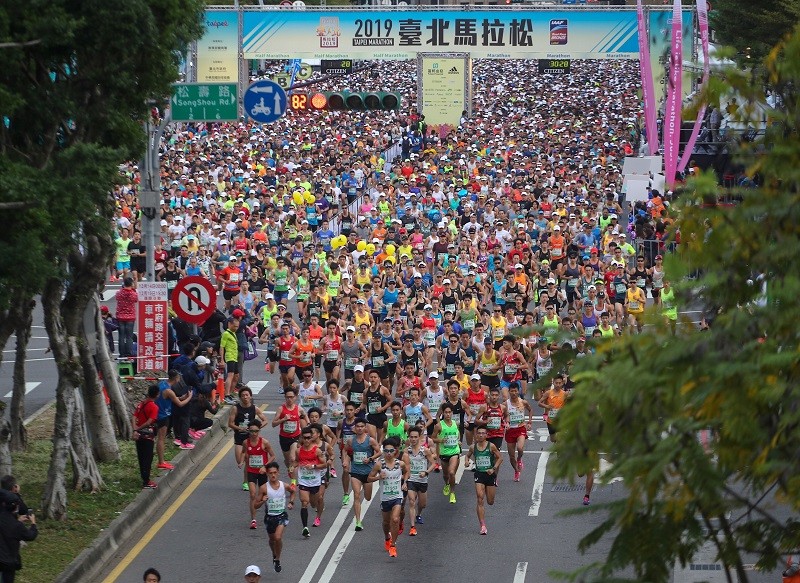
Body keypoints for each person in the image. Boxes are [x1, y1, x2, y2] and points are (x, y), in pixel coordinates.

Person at [367, 436, 408, 558]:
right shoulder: (379, 465)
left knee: (395, 519)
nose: (389, 453)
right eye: (386, 451)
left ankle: (393, 545)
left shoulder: (400, 464)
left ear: (395, 451)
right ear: (383, 451)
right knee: (386, 523)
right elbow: (369, 478)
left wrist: (404, 482)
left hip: (397, 496)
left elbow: (406, 472)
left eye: (391, 451)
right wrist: (379, 477)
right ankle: (387, 537)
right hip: (385, 497)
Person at [255, 462, 294, 573]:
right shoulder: (263, 488)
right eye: (270, 473)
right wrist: (263, 501)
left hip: (281, 515)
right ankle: (274, 554)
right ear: (267, 474)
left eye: (275, 473)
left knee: (277, 537)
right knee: (272, 540)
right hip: (269, 518)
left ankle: (277, 559)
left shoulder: (284, 485)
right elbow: (255, 505)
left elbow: (292, 492)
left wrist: (291, 502)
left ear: (278, 473)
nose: (273, 475)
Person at [464, 426, 503, 535]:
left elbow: (500, 458)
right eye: (479, 433)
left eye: (483, 433)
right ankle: (482, 525)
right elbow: (467, 456)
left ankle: (488, 491)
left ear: (486, 435)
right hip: (479, 474)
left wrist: (493, 468)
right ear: (476, 435)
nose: (480, 435)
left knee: (490, 502)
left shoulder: (491, 446)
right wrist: (466, 461)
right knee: (480, 498)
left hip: (490, 475)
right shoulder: (473, 447)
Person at [229, 386, 268, 491]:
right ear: (240, 397)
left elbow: (265, 420)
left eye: (247, 395)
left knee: (247, 460)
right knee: (239, 461)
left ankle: (246, 481)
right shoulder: (236, 408)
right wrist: (239, 428)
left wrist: (255, 429)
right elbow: (230, 423)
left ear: (250, 396)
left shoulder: (254, 408)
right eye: (242, 395)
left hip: (251, 440)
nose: (245, 397)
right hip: (239, 438)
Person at [344, 417, 378, 531]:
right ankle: (358, 521)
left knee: (367, 497)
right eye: (357, 426)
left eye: (361, 426)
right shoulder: (351, 441)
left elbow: (379, 452)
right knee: (356, 495)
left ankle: (365, 491)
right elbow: (346, 450)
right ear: (355, 428)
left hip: (368, 473)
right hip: (356, 472)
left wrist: (371, 458)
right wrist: (345, 461)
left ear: (365, 428)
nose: (359, 428)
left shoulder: (370, 440)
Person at [403, 426, 436, 536]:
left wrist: (426, 472)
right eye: (411, 437)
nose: (413, 439)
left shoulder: (425, 450)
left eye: (415, 437)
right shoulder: (406, 451)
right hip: (411, 480)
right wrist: (404, 479)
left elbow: (433, 464)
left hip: (422, 480)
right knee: (411, 501)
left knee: (422, 504)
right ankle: (412, 527)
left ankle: (419, 514)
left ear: (419, 438)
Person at [155, 370, 191, 471]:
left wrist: (180, 397)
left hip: (160, 412)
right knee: (161, 438)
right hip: (163, 415)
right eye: (179, 377)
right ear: (176, 378)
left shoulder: (162, 384)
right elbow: (180, 404)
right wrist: (189, 397)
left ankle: (161, 461)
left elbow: (170, 398)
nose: (180, 379)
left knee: (161, 438)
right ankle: (161, 462)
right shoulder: (169, 391)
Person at [271, 388, 308, 488]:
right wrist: (283, 419)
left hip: (295, 437)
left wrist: (307, 425)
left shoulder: (299, 409)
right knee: (288, 462)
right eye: (287, 397)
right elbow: (273, 424)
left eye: (291, 397)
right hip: (284, 438)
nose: (289, 399)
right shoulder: (281, 409)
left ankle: (293, 482)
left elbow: (305, 417)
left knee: (292, 458)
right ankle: (290, 470)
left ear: (295, 397)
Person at [244, 420, 276, 529]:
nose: (254, 433)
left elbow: (272, 456)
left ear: (259, 431)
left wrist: (265, 466)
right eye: (252, 431)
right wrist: (241, 461)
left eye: (256, 431)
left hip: (262, 472)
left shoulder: (264, 442)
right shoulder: (245, 442)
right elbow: (245, 454)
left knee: (264, 496)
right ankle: (253, 519)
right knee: (253, 494)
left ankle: (269, 514)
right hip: (251, 471)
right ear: (248, 431)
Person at [295, 426, 326, 538]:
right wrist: (291, 467)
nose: (307, 440)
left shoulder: (317, 450)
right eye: (305, 438)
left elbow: (324, 464)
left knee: (314, 503)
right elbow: (296, 462)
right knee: (304, 502)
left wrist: (313, 466)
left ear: (311, 438)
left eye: (309, 438)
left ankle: (318, 514)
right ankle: (305, 528)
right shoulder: (298, 451)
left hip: (315, 481)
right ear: (302, 438)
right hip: (303, 481)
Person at [0, 489, 37, 583]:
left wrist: (18, 520)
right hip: (8, 562)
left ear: (4, 504)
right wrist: (33, 523)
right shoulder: (17, 526)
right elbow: (31, 536)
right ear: (16, 507)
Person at [432, 403, 461, 504]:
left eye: (449, 412)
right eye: (446, 412)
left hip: (454, 451)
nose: (448, 414)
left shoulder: (455, 423)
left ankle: (452, 493)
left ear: (452, 413)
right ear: (443, 413)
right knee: (445, 475)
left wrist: (459, 440)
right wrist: (440, 440)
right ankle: (447, 484)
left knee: (452, 472)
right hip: (444, 453)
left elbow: (457, 434)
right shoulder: (439, 426)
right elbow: (433, 438)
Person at [505, 381, 534, 481]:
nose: (514, 393)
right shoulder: (505, 404)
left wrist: (529, 422)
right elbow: (501, 415)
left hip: (521, 428)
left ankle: (519, 459)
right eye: (512, 391)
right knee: (511, 456)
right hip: (510, 431)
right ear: (509, 392)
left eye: (515, 391)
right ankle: (516, 471)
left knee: (520, 448)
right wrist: (506, 423)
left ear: (518, 391)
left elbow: (530, 410)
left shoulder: (523, 402)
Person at [133, 385, 160, 489]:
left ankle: (144, 478)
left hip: (139, 435)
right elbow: (150, 421)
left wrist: (135, 429)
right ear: (157, 394)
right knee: (147, 458)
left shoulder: (141, 404)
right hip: (147, 436)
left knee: (141, 456)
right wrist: (140, 428)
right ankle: (146, 481)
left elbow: (134, 416)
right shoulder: (154, 407)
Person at [115, 276, 138, 358]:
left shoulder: (119, 293)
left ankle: (121, 353)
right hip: (130, 317)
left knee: (121, 336)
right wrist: (134, 289)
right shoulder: (133, 294)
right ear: (131, 284)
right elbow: (136, 299)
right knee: (129, 336)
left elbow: (117, 297)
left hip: (120, 317)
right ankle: (128, 353)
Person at [220, 316, 240, 401]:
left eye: (237, 326)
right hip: (230, 357)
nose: (236, 328)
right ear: (229, 324)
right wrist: (222, 360)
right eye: (234, 326)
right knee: (230, 375)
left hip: (235, 357)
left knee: (236, 376)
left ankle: (230, 393)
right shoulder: (226, 334)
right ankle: (227, 394)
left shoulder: (233, 333)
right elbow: (222, 347)